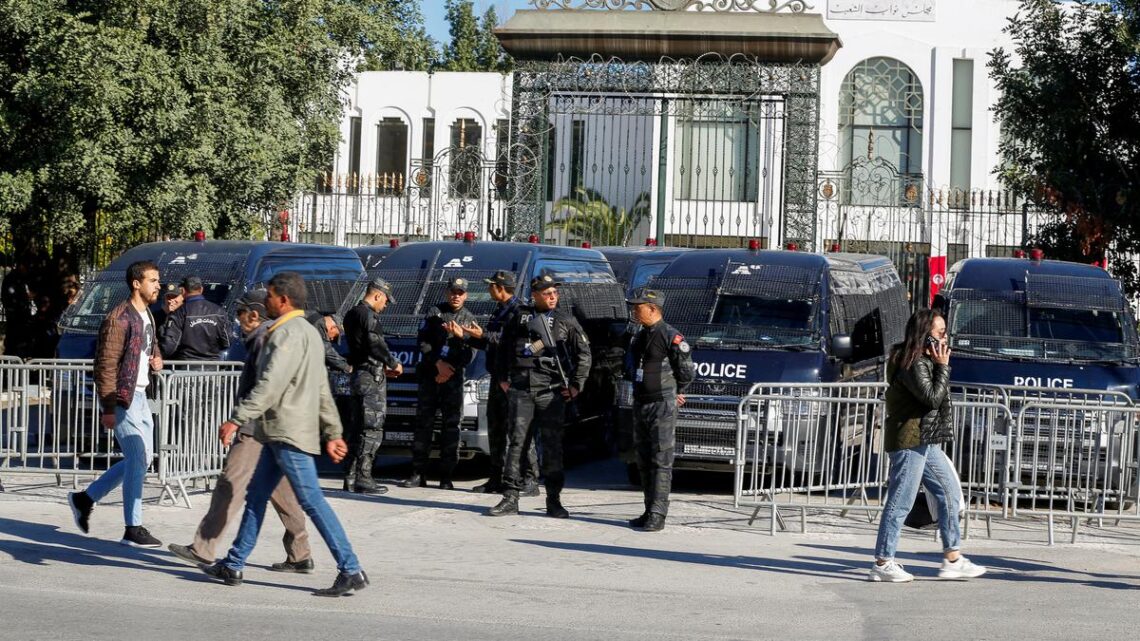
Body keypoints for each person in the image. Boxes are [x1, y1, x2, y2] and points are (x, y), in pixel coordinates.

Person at [199, 271, 368, 597]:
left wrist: (237, 418)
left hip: (287, 433)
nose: (266, 301)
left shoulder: (286, 334)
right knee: (256, 497)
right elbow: (322, 387)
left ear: (284, 299)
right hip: (277, 432)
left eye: (270, 296)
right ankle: (234, 563)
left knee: (312, 501)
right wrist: (333, 431)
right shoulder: (309, 332)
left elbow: (270, 384)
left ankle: (350, 568)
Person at [167, 290, 314, 572]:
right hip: (277, 425)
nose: (236, 319)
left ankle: (203, 548)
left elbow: (265, 388)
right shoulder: (276, 335)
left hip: (256, 426)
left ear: (254, 314)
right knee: (282, 490)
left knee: (230, 483)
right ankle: (300, 553)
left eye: (240, 313)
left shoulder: (262, 337)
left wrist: (236, 420)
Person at [870, 309, 986, 582]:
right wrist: (943, 366)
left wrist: (938, 364)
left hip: (926, 439)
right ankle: (883, 562)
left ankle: (953, 558)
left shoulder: (923, 359)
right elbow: (932, 397)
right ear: (925, 334)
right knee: (901, 501)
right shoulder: (911, 361)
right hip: (910, 440)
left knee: (949, 493)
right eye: (940, 332)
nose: (945, 337)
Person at [67, 260, 164, 548]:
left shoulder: (147, 314)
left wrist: (157, 358)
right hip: (122, 398)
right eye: (153, 280)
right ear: (136, 283)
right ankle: (133, 528)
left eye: (158, 280)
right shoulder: (118, 318)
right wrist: (109, 407)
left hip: (141, 396)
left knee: (143, 459)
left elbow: (149, 344)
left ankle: (85, 499)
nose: (158, 285)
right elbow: (105, 365)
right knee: (137, 458)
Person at [488, 274, 591, 518]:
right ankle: (510, 497)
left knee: (552, 446)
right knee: (517, 444)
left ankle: (553, 500)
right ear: (535, 295)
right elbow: (502, 349)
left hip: (551, 391)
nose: (553, 297)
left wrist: (576, 385)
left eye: (555, 292)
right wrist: (502, 378)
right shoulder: (519, 317)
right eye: (547, 293)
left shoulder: (565, 320)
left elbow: (584, 354)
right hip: (521, 390)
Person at [462, 271, 539, 497]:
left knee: (519, 430)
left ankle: (529, 479)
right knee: (496, 427)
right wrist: (469, 336)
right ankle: (497, 477)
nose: (489, 289)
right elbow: (492, 343)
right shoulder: (500, 310)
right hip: (496, 376)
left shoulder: (520, 312)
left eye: (491, 286)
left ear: (500, 287)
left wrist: (483, 335)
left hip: (514, 379)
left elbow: (513, 343)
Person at [625, 288, 694, 532]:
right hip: (641, 402)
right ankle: (648, 509)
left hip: (662, 405)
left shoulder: (670, 335)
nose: (634, 311)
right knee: (643, 459)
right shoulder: (639, 336)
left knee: (661, 459)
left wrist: (676, 391)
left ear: (653, 309)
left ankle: (658, 513)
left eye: (638, 307)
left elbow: (686, 371)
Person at [400, 277, 478, 490]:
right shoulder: (434, 313)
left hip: (452, 381)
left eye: (460, 293)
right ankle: (418, 473)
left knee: (451, 427)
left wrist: (448, 370)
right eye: (453, 291)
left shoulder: (469, 319)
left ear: (466, 295)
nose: (456, 296)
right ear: (447, 292)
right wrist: (437, 364)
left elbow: (470, 353)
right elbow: (423, 343)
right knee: (423, 424)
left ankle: (446, 476)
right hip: (430, 377)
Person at [343, 278, 402, 494]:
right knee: (372, 428)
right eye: (385, 301)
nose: (385, 306)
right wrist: (392, 363)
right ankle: (364, 477)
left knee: (356, 427)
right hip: (371, 377)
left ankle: (350, 476)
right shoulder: (368, 315)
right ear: (377, 295)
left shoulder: (351, 314)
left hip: (359, 375)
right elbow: (375, 343)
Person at [159, 275, 229, 360]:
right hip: (212, 365)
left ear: (183, 291)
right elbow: (227, 341)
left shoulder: (179, 312)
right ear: (201, 289)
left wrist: (158, 356)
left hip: (187, 364)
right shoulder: (219, 311)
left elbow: (170, 345)